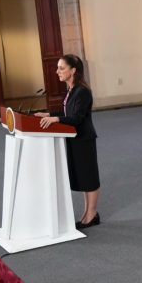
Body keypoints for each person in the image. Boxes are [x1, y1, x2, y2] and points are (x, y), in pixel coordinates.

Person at [36, 54, 101, 229]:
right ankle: (88, 213)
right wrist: (49, 114)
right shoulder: (72, 89)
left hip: (84, 139)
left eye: (61, 68)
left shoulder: (82, 91)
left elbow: (77, 118)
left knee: (90, 177)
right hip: (74, 139)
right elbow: (67, 112)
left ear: (73, 71)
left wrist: (56, 120)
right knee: (84, 177)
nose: (57, 71)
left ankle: (92, 214)